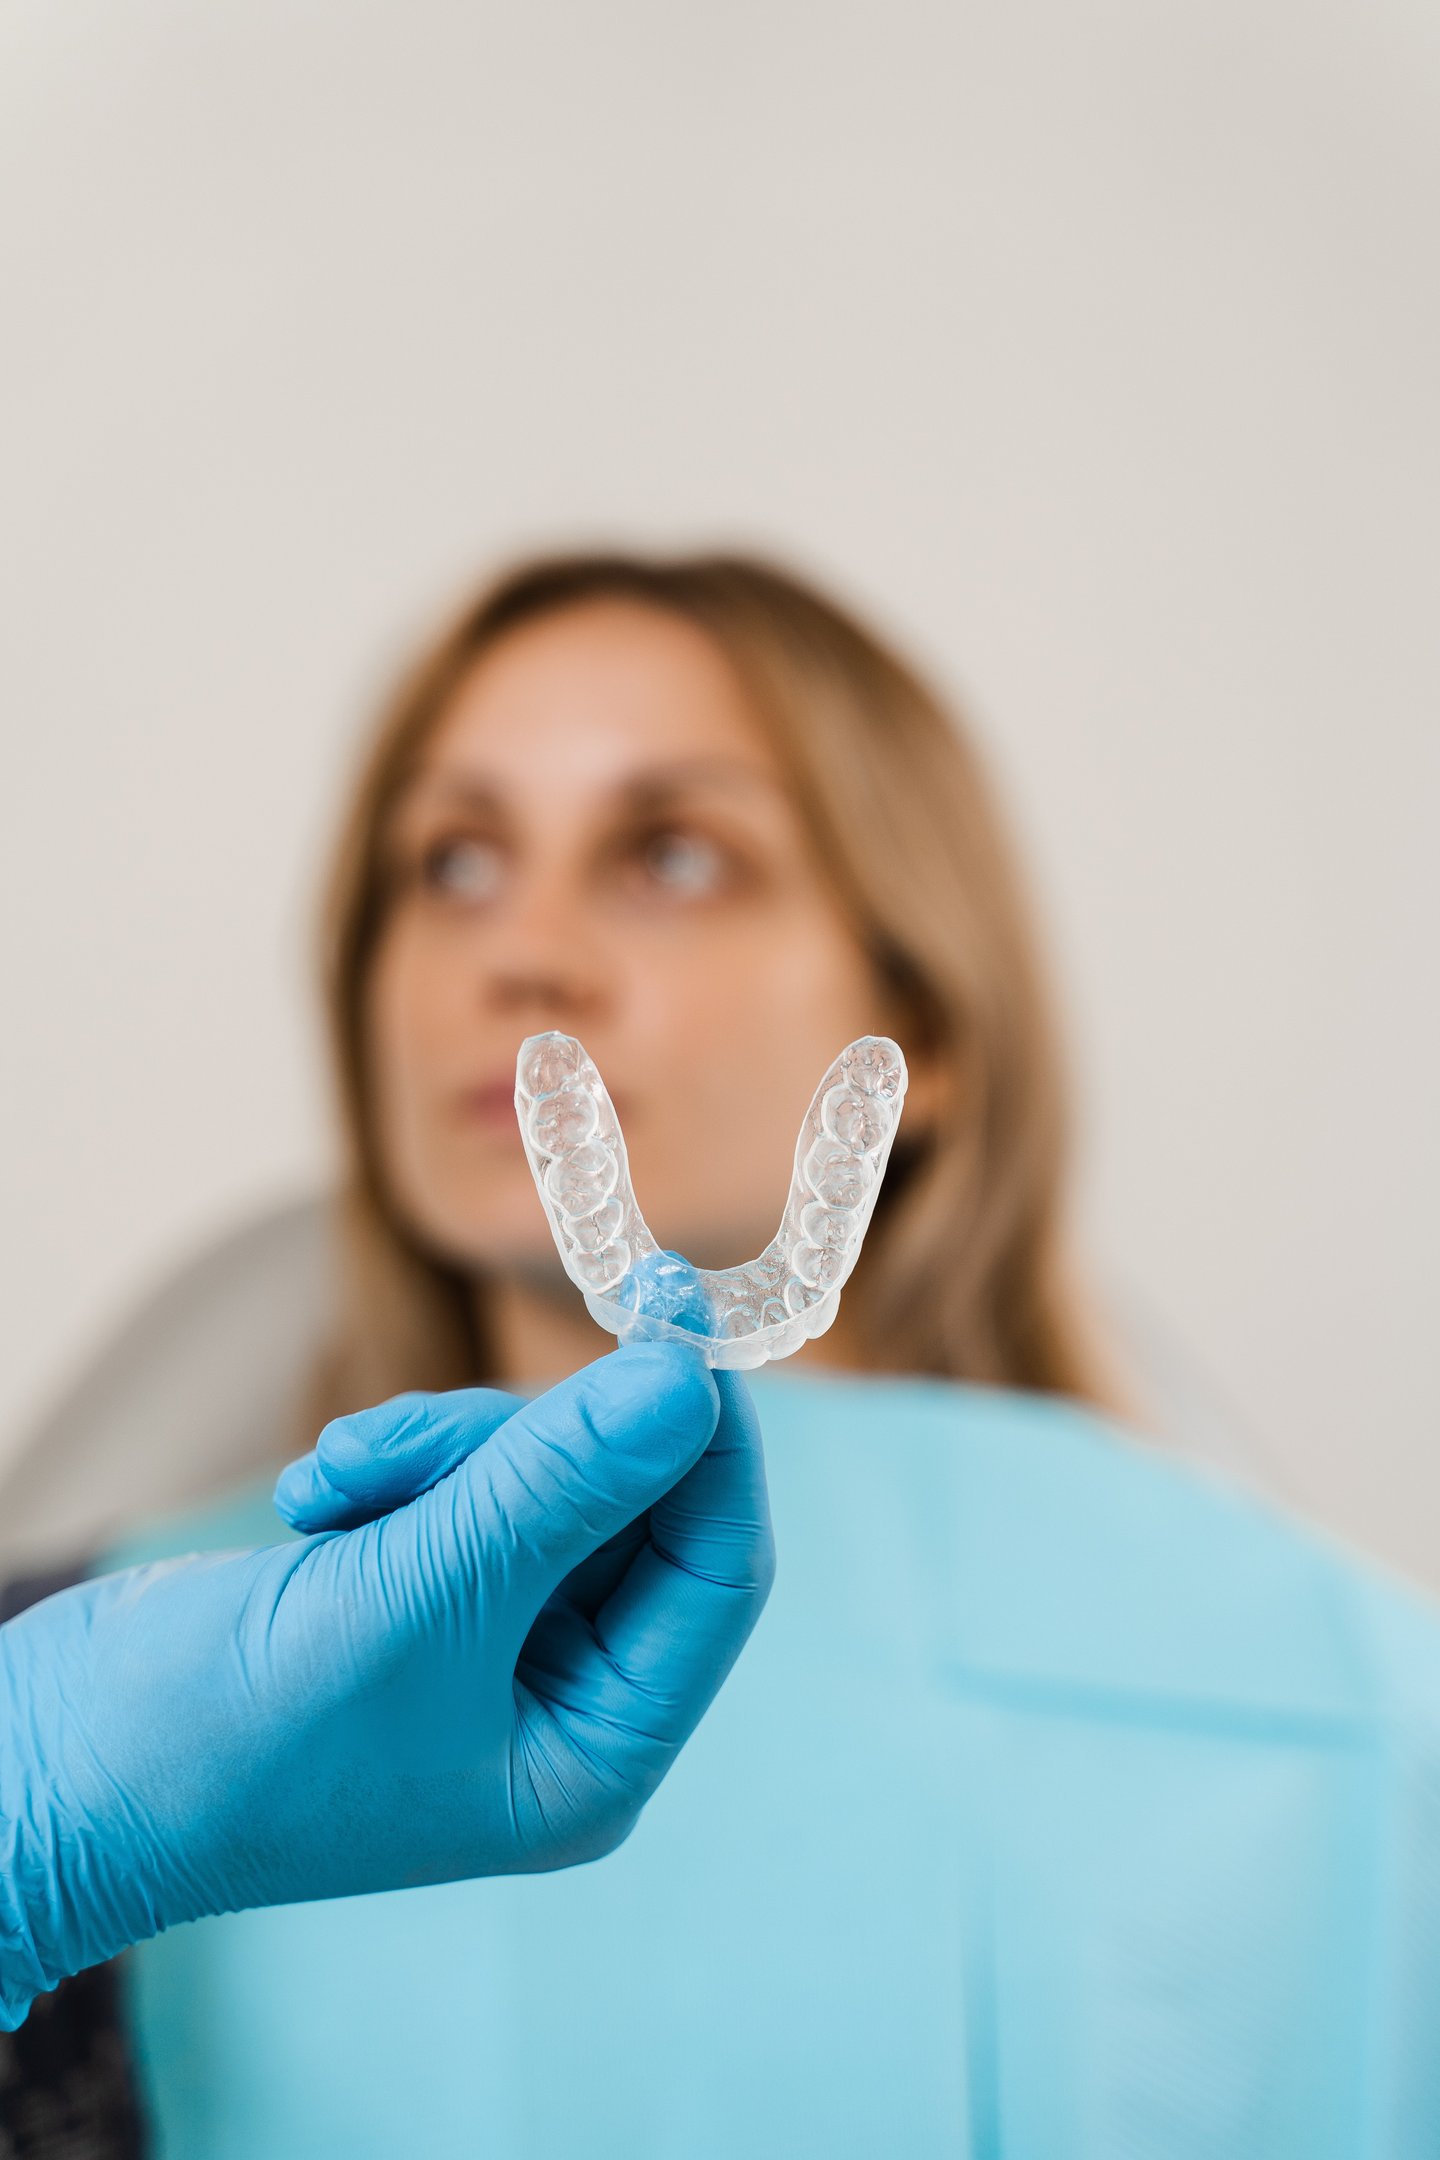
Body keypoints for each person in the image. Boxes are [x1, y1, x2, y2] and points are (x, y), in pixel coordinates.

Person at [3, 547, 1439, 2156]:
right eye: (454, 863)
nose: (521, 953)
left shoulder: (1360, 1716)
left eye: (674, 857)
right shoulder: (81, 1702)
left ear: (927, 1023)